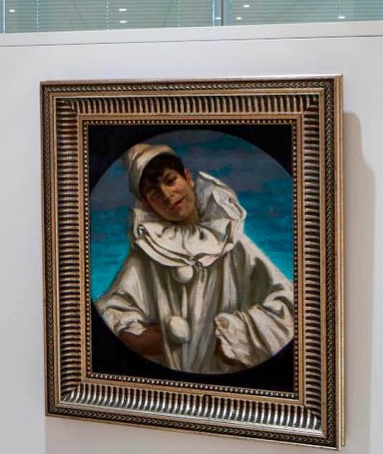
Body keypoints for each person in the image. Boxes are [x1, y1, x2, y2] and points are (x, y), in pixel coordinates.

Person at [95, 143, 294, 375]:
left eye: (170, 181)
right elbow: (112, 309)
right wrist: (141, 338)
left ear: (188, 178)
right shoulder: (149, 253)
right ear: (147, 203)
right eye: (154, 193)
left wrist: (234, 335)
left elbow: (288, 305)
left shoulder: (230, 241)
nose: (167, 196)